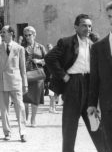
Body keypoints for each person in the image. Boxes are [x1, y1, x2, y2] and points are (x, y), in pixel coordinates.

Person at [45, 14, 106, 152]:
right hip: (73, 84)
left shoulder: (94, 44)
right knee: (69, 126)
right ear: (76, 27)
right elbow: (49, 58)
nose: (88, 28)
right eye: (84, 25)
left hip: (90, 84)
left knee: (95, 123)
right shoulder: (66, 42)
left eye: (90, 25)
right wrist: (63, 76)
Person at [0, 25, 28, 142]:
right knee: (3, 109)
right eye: (1, 32)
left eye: (4, 32)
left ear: (11, 33)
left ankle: (23, 132)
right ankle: (7, 132)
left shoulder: (19, 48)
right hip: (2, 82)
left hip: (15, 82)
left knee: (20, 107)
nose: (1, 34)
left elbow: (23, 68)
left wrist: (25, 83)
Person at [88, 2, 112, 151]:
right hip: (108, 105)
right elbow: (94, 79)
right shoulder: (98, 47)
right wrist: (92, 104)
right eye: (110, 17)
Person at [22, 26, 46, 127]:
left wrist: (39, 61)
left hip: (37, 76)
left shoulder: (40, 47)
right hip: (26, 75)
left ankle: (33, 119)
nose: (27, 37)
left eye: (29, 35)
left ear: (34, 35)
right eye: (26, 35)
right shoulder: (21, 47)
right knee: (25, 98)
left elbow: (47, 60)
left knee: (35, 98)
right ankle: (26, 118)